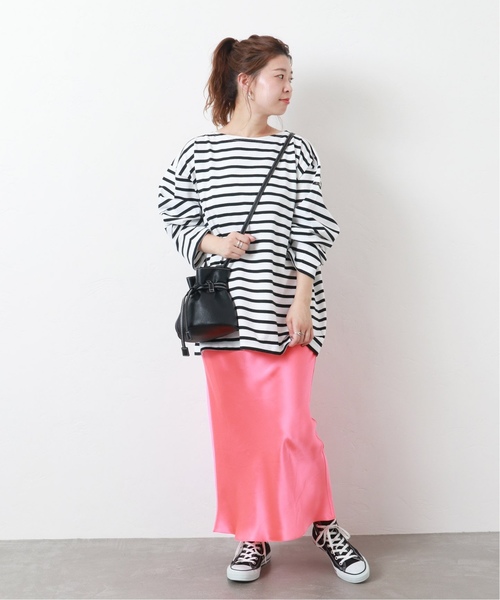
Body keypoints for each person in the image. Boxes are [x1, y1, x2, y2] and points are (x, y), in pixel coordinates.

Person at [158, 34, 370, 585]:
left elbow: (314, 225)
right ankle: (252, 536)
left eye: (291, 77)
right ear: (246, 82)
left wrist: (302, 299)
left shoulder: (295, 150)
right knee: (241, 435)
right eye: (281, 76)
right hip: (225, 321)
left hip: (286, 315)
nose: (289, 87)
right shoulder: (199, 152)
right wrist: (212, 241)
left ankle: (325, 525)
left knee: (292, 428)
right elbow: (171, 207)